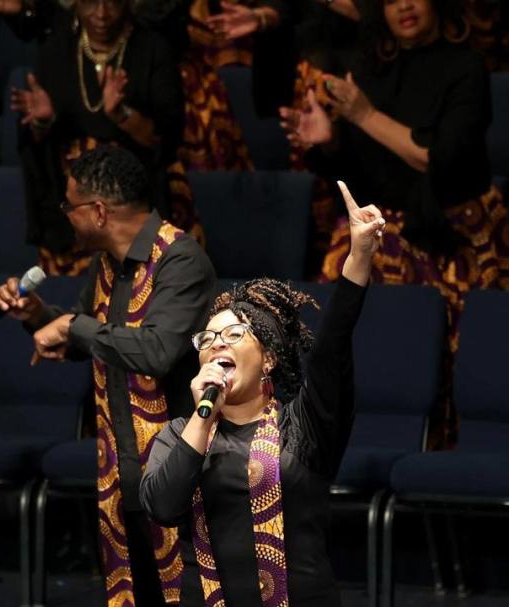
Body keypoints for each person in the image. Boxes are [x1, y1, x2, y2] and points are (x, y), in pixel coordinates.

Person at [0, 146, 218, 606]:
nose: (65, 216)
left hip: (179, 471)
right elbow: (93, 337)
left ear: (98, 212)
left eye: (69, 206)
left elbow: (156, 351)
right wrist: (37, 316)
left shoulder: (181, 260)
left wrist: (72, 325)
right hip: (121, 464)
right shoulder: (108, 263)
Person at [139, 181, 382, 606]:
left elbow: (331, 350)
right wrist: (203, 415)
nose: (217, 344)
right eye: (208, 338)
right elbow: (162, 506)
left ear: (267, 358)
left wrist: (359, 258)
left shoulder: (304, 426)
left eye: (234, 334)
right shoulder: (180, 433)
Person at [279, 0, 509, 350]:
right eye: (392, 0)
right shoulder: (369, 68)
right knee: (348, 349)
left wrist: (365, 116)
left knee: (454, 356)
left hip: (450, 236)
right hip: (376, 231)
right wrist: (330, 141)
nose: (405, 6)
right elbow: (357, 166)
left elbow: (437, 158)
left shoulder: (466, 66)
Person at [9, 0, 200, 276]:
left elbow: (164, 139)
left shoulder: (153, 49)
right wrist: (42, 121)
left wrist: (122, 115)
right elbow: (37, 143)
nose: (101, 13)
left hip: (140, 191)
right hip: (74, 197)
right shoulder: (56, 50)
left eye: (112, 3)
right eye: (90, 3)